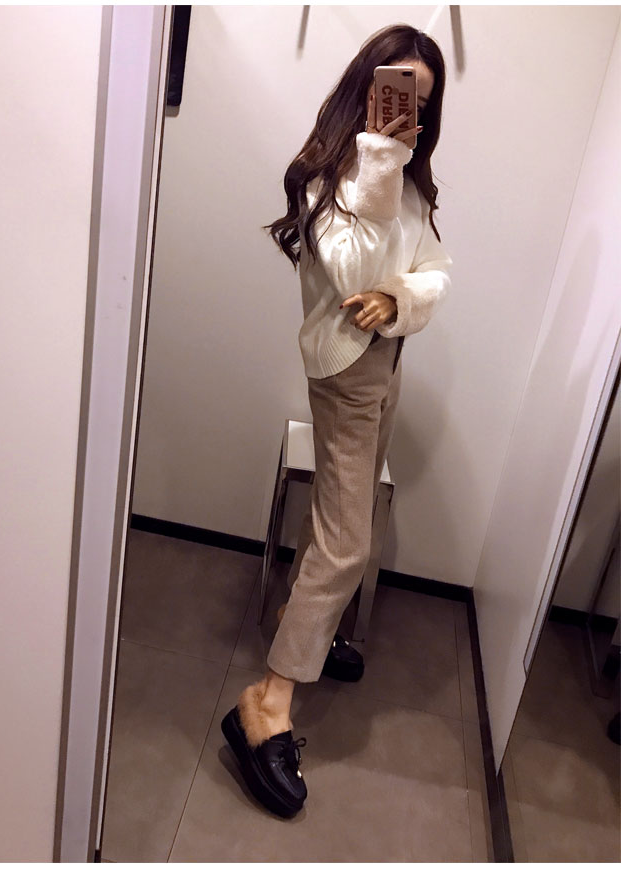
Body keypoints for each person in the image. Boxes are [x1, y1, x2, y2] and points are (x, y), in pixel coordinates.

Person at [221, 23, 453, 819]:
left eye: (421, 102)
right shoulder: (331, 175)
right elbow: (353, 267)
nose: (407, 113)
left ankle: (306, 625)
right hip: (348, 370)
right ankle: (266, 702)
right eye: (398, 91)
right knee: (346, 538)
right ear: (369, 86)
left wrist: (401, 298)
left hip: (387, 363)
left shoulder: (411, 186)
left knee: (348, 520)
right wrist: (380, 157)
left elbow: (435, 271)